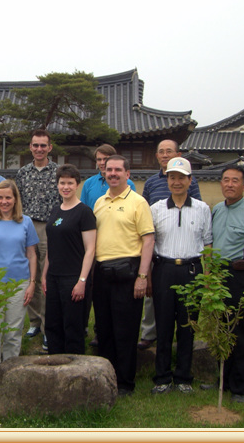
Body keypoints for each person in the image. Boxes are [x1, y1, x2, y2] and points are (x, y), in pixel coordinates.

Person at [149, 157, 212, 395]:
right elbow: (149, 244)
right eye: (172, 177)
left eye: (181, 178)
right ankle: (162, 377)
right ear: (167, 180)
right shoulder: (155, 209)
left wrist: (208, 276)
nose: (177, 182)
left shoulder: (202, 208)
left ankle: (184, 376)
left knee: (188, 325)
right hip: (163, 269)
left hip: (192, 270)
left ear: (190, 180)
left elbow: (208, 244)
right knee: (163, 325)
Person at [93, 155, 154, 396]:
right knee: (104, 329)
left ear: (127, 174)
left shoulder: (138, 202)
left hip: (128, 271)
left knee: (125, 330)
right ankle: (106, 377)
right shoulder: (99, 202)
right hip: (101, 271)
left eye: (118, 170)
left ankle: (125, 382)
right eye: (109, 170)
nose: (113, 173)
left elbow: (148, 240)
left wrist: (142, 276)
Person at [209, 165, 244, 403]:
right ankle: (222, 380)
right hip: (217, 277)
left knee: (240, 332)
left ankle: (240, 387)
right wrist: (209, 278)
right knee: (220, 329)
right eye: (226, 180)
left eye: (235, 181)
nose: (229, 184)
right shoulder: (216, 210)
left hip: (240, 276)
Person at [138, 139, 202, 350]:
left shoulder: (191, 184)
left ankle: (182, 342)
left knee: (184, 305)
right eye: (161, 151)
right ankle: (150, 333)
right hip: (158, 247)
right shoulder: (151, 183)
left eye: (169, 151)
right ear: (157, 156)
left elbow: (198, 212)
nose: (165, 155)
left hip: (183, 249)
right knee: (153, 297)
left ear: (178, 154)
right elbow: (144, 211)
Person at [0, 180, 39, 381]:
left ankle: (10, 375)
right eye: (0, 197)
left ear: (15, 199)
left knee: (13, 332)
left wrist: (32, 283)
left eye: (8, 197)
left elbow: (32, 255)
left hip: (18, 285)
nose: (4, 201)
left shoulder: (26, 222)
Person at [80, 143, 136, 348]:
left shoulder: (129, 184)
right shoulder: (89, 184)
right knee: (93, 289)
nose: (102, 163)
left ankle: (109, 333)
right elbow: (83, 212)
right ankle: (92, 327)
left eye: (106, 159)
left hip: (118, 247)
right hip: (93, 243)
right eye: (99, 160)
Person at [42, 164, 96, 355]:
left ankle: (74, 367)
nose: (66, 187)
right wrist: (44, 276)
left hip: (73, 278)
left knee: (73, 326)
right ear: (57, 184)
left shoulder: (84, 212)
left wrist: (82, 280)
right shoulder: (55, 210)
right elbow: (51, 246)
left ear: (77, 185)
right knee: (53, 324)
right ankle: (55, 363)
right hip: (53, 277)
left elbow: (90, 249)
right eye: (62, 183)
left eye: (70, 183)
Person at [16, 129, 60, 350]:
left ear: (49, 148)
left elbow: (65, 201)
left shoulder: (58, 172)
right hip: (27, 226)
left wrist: (58, 226)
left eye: (43, 145)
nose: (39, 149)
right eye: (36, 145)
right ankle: (33, 321)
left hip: (50, 227)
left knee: (46, 278)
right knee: (30, 275)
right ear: (30, 147)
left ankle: (46, 325)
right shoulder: (23, 173)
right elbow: (18, 201)